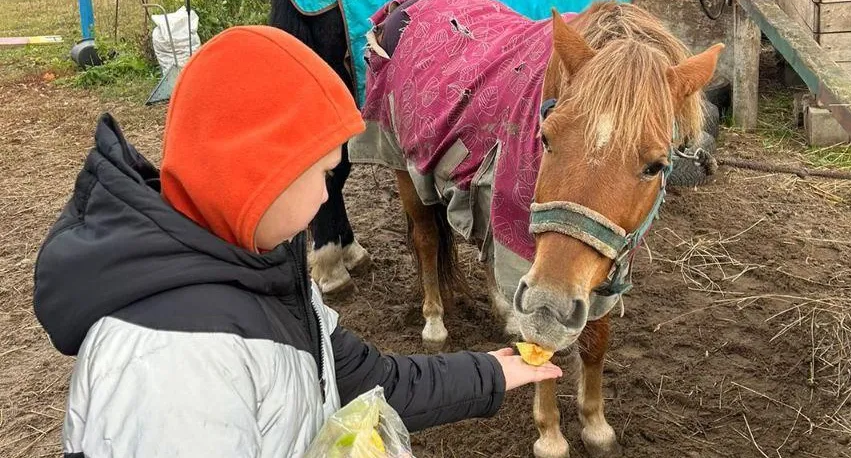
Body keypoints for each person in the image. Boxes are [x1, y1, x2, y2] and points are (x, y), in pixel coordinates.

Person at [33, 25, 562, 457]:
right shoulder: (170, 363)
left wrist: (492, 371)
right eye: (324, 172)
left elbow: (365, 378)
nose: (328, 193)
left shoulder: (262, 267)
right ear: (265, 172)